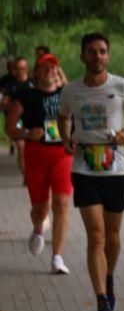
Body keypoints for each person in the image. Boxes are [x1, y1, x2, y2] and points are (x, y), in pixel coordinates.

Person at [59, 33, 124, 311]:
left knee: (112, 237)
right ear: (82, 56)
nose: (97, 56)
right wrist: (65, 138)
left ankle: (108, 277)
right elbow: (63, 116)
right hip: (84, 168)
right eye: (91, 51)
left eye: (102, 51)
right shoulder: (71, 90)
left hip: (116, 169)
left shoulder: (122, 86)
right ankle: (101, 301)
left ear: (108, 56)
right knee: (96, 235)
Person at [4, 54, 73, 273]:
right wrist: (27, 133)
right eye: (44, 67)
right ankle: (38, 229)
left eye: (53, 67)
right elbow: (9, 127)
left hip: (63, 154)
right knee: (40, 209)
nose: (49, 70)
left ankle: (57, 257)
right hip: (36, 155)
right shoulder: (26, 96)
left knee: (61, 203)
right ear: (36, 72)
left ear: (58, 72)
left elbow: (81, 119)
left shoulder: (68, 95)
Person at [1, 57, 31, 170]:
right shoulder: (10, 86)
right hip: (18, 121)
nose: (20, 71)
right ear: (14, 70)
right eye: (18, 69)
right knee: (21, 147)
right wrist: (15, 106)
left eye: (23, 69)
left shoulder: (34, 83)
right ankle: (26, 175)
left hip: (34, 120)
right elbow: (3, 104)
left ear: (27, 69)